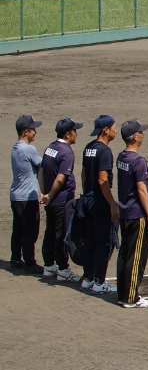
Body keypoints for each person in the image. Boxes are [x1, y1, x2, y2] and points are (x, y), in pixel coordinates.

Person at [115, 120, 148, 308]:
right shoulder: (138, 161)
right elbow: (141, 190)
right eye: (141, 132)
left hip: (125, 212)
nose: (143, 135)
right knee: (136, 258)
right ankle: (131, 298)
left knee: (125, 254)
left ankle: (122, 294)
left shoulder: (122, 157)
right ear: (135, 137)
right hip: (136, 213)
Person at [38, 118, 83, 282]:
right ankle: (63, 268)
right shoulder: (66, 152)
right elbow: (60, 179)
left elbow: (41, 171)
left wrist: (44, 193)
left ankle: (49, 265)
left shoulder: (50, 148)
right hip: (61, 201)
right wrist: (50, 195)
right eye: (75, 131)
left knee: (50, 231)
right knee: (61, 234)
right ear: (68, 134)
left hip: (50, 200)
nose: (76, 134)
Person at [81, 115, 120, 294]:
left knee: (90, 240)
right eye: (113, 127)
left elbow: (84, 174)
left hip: (88, 198)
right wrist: (112, 204)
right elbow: (102, 179)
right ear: (105, 130)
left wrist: (86, 195)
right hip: (99, 200)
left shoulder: (88, 148)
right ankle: (99, 282)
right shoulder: (104, 151)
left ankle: (88, 278)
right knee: (103, 242)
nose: (115, 130)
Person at [10, 115, 43, 273]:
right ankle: (30, 263)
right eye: (33, 129)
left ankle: (16, 258)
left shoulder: (15, 148)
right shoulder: (29, 149)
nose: (35, 132)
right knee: (30, 231)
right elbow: (43, 164)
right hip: (27, 197)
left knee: (18, 229)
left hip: (16, 196)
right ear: (25, 132)